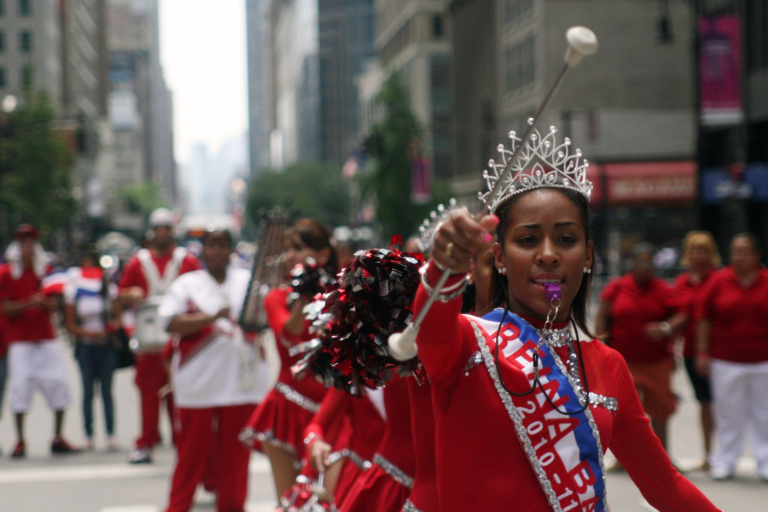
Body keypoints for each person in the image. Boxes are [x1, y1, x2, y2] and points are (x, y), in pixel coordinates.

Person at [411, 127, 720, 510]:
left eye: (566, 239)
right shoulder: (466, 343)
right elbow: (430, 327)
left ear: (588, 256)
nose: (548, 254)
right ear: (500, 258)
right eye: (527, 240)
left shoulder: (609, 365)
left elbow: (666, 487)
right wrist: (445, 267)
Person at [160, 229, 271, 512]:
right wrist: (211, 318)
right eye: (212, 246)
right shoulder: (187, 284)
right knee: (190, 455)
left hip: (241, 383)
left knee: (236, 456)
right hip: (198, 383)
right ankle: (177, 507)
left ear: (231, 250)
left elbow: (267, 318)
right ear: (203, 250)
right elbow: (170, 322)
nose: (217, 251)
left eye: (223, 245)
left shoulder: (248, 281)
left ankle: (232, 506)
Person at [241, 218, 336, 498]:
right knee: (290, 498)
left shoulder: (340, 296)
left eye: (298, 247)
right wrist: (304, 297)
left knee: (330, 498)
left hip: (331, 408)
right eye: (287, 248)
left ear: (323, 255)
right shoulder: (276, 297)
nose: (290, 255)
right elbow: (289, 333)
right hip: (286, 408)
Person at [119, 207, 201, 464]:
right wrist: (130, 294)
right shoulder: (137, 262)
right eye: (158, 228)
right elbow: (119, 297)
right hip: (149, 340)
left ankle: (183, 442)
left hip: (180, 339)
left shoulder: (186, 261)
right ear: (151, 232)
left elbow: (202, 293)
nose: (162, 232)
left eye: (167, 227)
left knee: (181, 394)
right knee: (148, 394)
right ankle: (146, 441)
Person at [595, 243, 686, 453]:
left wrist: (664, 328)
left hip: (657, 361)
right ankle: (625, 457)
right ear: (632, 263)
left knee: (661, 410)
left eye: (649, 262)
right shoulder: (617, 287)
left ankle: (663, 455)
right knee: (624, 411)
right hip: (624, 361)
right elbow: (602, 317)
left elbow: (681, 316)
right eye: (640, 261)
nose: (645, 266)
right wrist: (600, 346)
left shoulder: (663, 289)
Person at [0, 225, 78, 458]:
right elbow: (5, 308)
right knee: (20, 388)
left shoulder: (46, 272)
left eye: (30, 244)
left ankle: (58, 436)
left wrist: (43, 302)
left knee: (59, 384)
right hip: (20, 340)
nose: (27, 248)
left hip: (45, 337)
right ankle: (20, 439)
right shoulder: (7, 274)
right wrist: (28, 303)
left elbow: (56, 303)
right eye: (23, 243)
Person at [695, 233, 768, 481]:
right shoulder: (718, 281)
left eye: (744, 251)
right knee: (727, 413)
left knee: (764, 413)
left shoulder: (767, 281)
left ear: (756, 255)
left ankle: (765, 461)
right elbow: (704, 319)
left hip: (763, 361)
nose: (739, 256)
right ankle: (725, 460)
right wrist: (702, 353)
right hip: (725, 360)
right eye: (735, 251)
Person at [64, 252, 121, 451]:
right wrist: (87, 332)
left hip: (105, 345)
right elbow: (70, 324)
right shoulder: (73, 291)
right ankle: (88, 434)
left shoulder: (107, 289)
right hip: (86, 347)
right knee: (88, 391)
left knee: (106, 391)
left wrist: (107, 330)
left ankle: (110, 433)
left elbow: (118, 319)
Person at [672, 231, 720, 469]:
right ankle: (709, 455)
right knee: (704, 402)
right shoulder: (682, 282)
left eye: (703, 250)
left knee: (725, 404)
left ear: (712, 254)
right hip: (691, 352)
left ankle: (725, 454)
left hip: (720, 352)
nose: (698, 255)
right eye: (694, 250)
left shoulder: (719, 280)